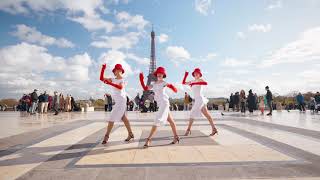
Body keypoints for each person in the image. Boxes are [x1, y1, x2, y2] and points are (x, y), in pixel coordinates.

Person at [139, 67, 180, 148]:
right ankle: (176, 137)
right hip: (160, 104)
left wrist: (173, 88)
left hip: (164, 102)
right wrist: (141, 80)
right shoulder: (153, 83)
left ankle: (149, 139)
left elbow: (172, 87)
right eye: (158, 73)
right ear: (156, 74)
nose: (159, 74)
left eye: (161, 74)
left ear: (163, 75)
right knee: (171, 121)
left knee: (157, 120)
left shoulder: (164, 82)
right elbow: (145, 88)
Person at [100, 63, 134, 144]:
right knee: (123, 118)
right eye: (116, 70)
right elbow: (101, 78)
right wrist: (103, 69)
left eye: (119, 70)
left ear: (122, 71)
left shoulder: (123, 80)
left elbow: (120, 87)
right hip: (118, 101)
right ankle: (130, 134)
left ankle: (106, 136)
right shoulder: (113, 79)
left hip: (121, 100)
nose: (117, 71)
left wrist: (110, 83)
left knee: (112, 117)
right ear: (114, 72)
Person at [182, 68, 218, 136]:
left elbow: (205, 83)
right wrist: (186, 75)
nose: (196, 74)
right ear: (193, 74)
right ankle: (214, 128)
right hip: (197, 100)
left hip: (200, 99)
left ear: (199, 74)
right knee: (207, 115)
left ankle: (188, 130)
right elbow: (183, 83)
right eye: (195, 73)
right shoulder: (192, 81)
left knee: (192, 113)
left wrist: (195, 83)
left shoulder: (200, 80)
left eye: (197, 73)